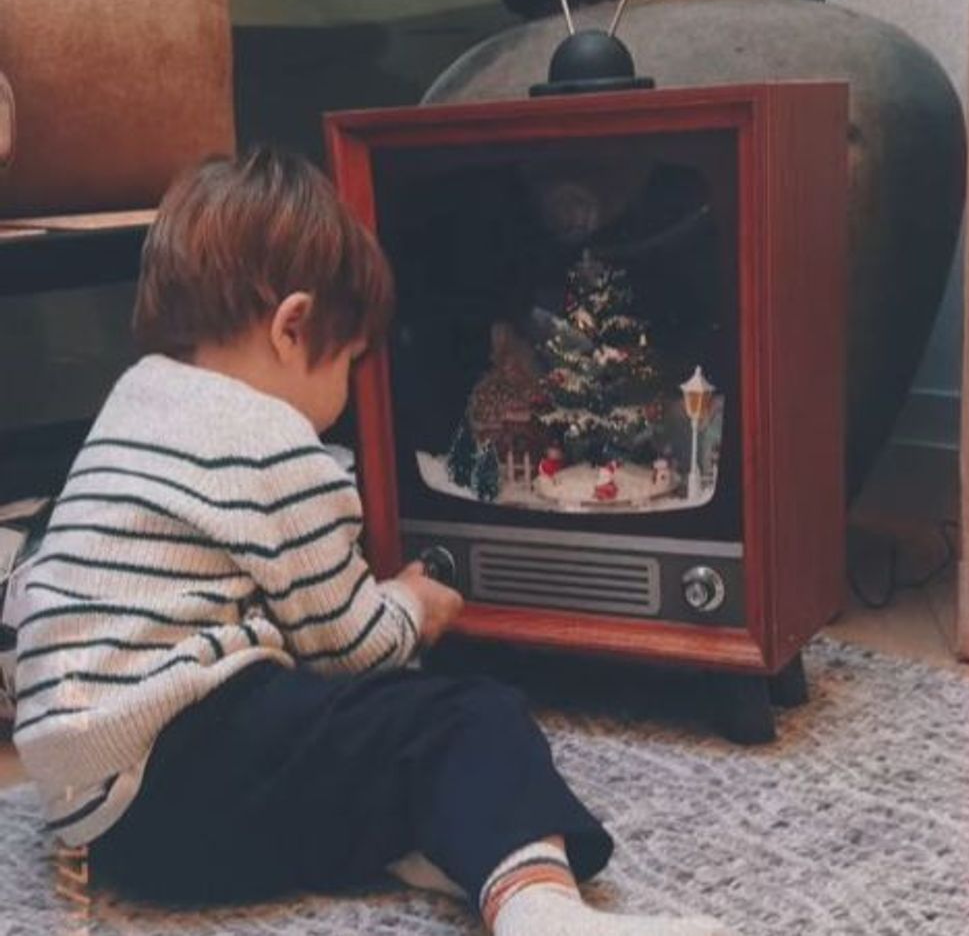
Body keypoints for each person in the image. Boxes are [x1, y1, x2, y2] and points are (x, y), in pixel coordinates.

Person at [13, 148, 731, 936]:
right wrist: (411, 605)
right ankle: (543, 910)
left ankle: (448, 840)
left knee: (345, 746)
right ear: (292, 328)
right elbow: (350, 647)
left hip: (102, 828)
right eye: (350, 364)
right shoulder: (269, 440)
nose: (346, 394)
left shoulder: (132, 402)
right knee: (464, 718)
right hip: (177, 771)